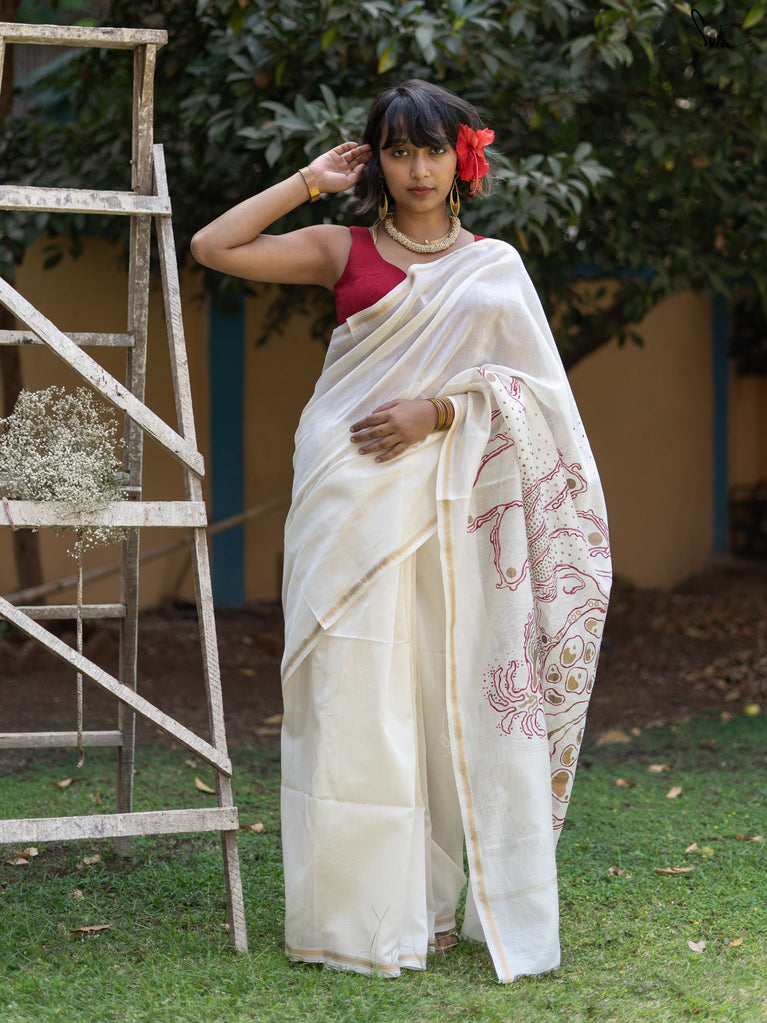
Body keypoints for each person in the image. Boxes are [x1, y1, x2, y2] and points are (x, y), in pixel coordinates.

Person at [191, 79, 612, 983]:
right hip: (347, 500)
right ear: (375, 161)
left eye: (432, 149)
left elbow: (538, 397)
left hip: (451, 509)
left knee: (437, 692)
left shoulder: (494, 266)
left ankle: (428, 908)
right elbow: (212, 245)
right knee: (351, 698)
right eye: (397, 150)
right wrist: (308, 181)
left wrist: (440, 411)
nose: (416, 168)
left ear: (462, 158)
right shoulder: (338, 248)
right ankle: (353, 917)